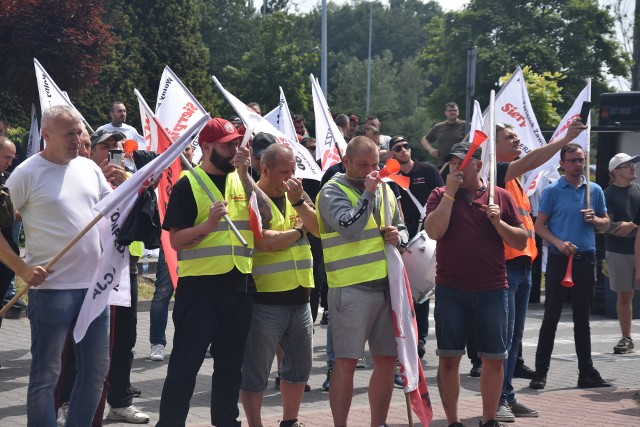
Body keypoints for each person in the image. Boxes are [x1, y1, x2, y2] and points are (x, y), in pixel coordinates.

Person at [0, 105, 112, 426]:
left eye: (78, 132)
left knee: (95, 373)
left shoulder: (88, 168)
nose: (77, 139)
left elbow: (109, 209)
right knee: (46, 378)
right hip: (51, 293)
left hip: (94, 291)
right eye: (68, 134)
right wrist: (21, 268)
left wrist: (133, 186)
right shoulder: (26, 173)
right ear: (46, 135)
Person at [156, 118, 261, 427]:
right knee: (185, 366)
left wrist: (245, 175)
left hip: (239, 287)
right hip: (199, 290)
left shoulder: (240, 180)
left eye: (236, 144)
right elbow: (175, 240)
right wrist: (207, 227)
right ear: (206, 147)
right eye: (228, 145)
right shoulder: (189, 183)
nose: (235, 150)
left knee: (230, 368)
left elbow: (264, 216)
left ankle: (226, 422)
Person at [424, 142, 527, 427]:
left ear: (478, 165)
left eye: (461, 162)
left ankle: (489, 419)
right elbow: (433, 231)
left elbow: (521, 241)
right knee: (448, 358)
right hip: (451, 289)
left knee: (494, 359)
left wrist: (498, 223)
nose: (454, 167)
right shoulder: (439, 194)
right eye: (452, 162)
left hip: (492, 290)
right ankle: (454, 421)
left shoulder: (501, 196)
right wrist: (449, 196)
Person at [492, 121, 586, 422]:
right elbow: (531, 161)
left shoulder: (516, 182)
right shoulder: (497, 171)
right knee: (504, 340)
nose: (517, 139)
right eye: (509, 137)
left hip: (523, 267)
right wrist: (564, 140)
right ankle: (497, 402)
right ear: (493, 147)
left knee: (514, 339)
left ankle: (507, 396)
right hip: (506, 267)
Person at [317, 136, 408, 427]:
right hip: (350, 288)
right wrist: (368, 194)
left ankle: (377, 424)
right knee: (345, 364)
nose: (372, 170)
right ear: (346, 163)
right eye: (363, 165)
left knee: (385, 362)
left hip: (385, 288)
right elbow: (350, 229)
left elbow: (403, 227)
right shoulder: (331, 191)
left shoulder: (386, 190)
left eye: (375, 164)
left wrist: (400, 237)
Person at [240, 144, 318, 427]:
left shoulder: (296, 193)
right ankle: (255, 424)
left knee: (299, 369)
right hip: (267, 300)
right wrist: (298, 230)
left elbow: (319, 228)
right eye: (284, 171)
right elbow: (265, 241)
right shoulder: (253, 197)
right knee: (256, 371)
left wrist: (299, 204)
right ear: (265, 169)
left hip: (302, 298)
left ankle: (290, 420)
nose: (290, 176)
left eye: (293, 170)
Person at [530, 143, 612, 390]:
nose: (578, 164)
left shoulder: (594, 190)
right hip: (559, 259)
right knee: (551, 316)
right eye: (573, 160)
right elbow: (539, 225)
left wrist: (596, 219)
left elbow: (605, 224)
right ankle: (541, 372)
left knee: (582, 319)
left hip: (585, 260)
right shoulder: (553, 191)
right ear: (562, 164)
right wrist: (557, 242)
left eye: (581, 159)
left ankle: (585, 372)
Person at [388, 135, 442, 362]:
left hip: (427, 236)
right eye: (398, 148)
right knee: (409, 289)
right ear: (392, 153)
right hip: (405, 238)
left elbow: (442, 196)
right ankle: (410, 334)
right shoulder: (391, 177)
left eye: (406, 146)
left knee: (423, 288)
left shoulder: (427, 170)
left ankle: (421, 337)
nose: (403, 150)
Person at [605, 153, 640, 354]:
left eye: (633, 165)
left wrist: (632, 225)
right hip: (618, 251)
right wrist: (629, 227)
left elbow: (621, 226)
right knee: (624, 295)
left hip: (638, 249)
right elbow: (607, 226)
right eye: (627, 165)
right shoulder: (607, 193)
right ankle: (626, 338)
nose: (633, 168)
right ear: (615, 171)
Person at [0, 137, 17, 332]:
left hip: (6, 259)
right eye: (6, 157)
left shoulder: (6, 178)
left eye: (13, 158)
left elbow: (10, 215)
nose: (9, 162)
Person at [420, 102, 466, 168]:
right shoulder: (439, 127)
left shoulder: (466, 126)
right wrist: (431, 150)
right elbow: (424, 140)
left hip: (461, 164)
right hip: (443, 165)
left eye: (455, 110)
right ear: (445, 112)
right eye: (450, 110)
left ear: (458, 112)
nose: (452, 112)